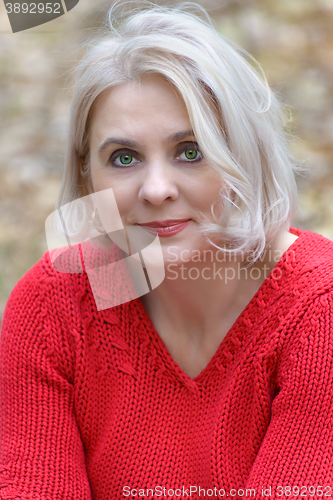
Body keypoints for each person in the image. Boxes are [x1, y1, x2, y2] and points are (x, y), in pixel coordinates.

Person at [1, 2, 333, 499]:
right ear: (87, 172)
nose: (156, 190)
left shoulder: (317, 310)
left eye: (190, 151)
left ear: (246, 151)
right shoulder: (56, 308)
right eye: (124, 157)